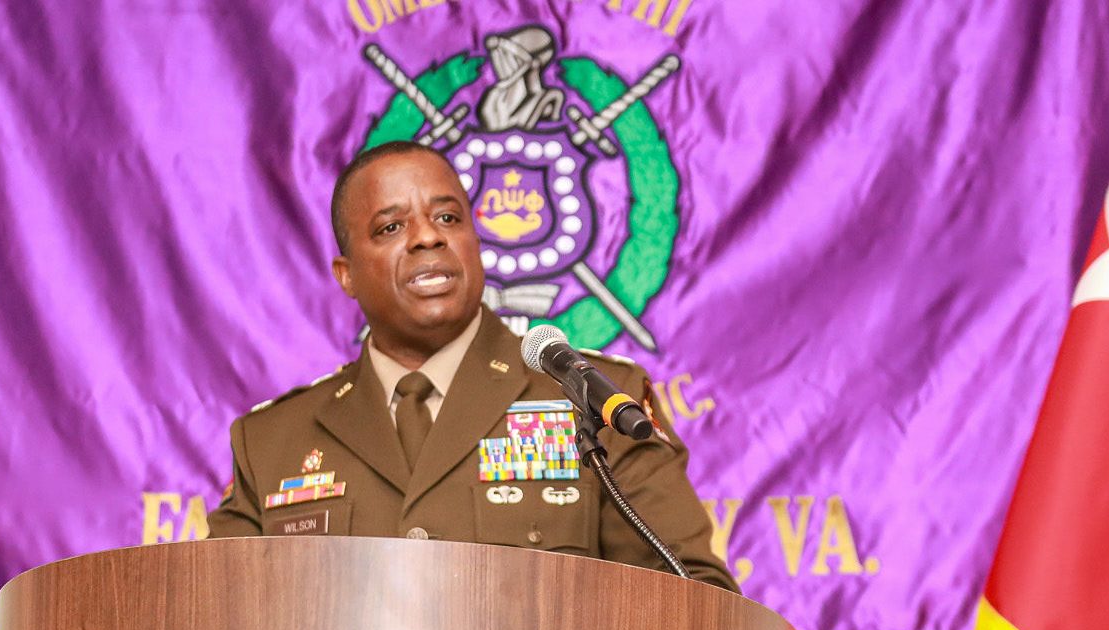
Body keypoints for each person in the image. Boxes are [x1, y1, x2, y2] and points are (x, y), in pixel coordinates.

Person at [206, 140, 735, 592]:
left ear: (476, 244)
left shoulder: (594, 399)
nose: (427, 237)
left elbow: (695, 601)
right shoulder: (272, 442)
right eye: (391, 227)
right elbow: (215, 624)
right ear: (346, 275)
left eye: (447, 218)